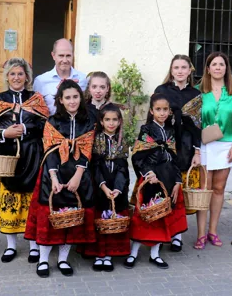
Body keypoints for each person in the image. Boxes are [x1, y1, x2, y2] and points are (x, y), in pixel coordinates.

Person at [24, 80, 96, 278]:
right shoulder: (53, 122)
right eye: (68, 98)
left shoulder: (88, 121)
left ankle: (63, 259)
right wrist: (54, 178)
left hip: (79, 175)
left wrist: (77, 176)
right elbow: (49, 152)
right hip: (53, 173)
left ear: (81, 98)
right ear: (61, 100)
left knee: (72, 218)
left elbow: (87, 150)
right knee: (51, 218)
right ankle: (44, 259)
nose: (72, 101)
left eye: (75, 97)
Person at [0, 58, 49, 263]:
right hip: (7, 158)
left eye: (20, 74)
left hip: (32, 156)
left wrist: (26, 129)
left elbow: (46, 125)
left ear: (27, 77)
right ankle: (11, 246)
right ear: (7, 77)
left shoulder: (36, 99)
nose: (17, 77)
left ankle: (34, 246)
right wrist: (4, 133)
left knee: (31, 202)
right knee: (9, 201)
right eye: (12, 74)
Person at [126, 93, 187, 270]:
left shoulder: (170, 132)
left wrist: (177, 181)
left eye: (165, 109)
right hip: (151, 180)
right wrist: (148, 173)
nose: (162, 113)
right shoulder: (146, 130)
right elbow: (138, 156)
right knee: (144, 216)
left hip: (167, 180)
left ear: (169, 111)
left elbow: (174, 158)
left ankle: (155, 254)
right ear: (152, 111)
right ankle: (133, 253)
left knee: (160, 216)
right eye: (158, 109)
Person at [154, 54, 202, 251]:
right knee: (163, 188)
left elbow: (198, 125)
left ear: (190, 70)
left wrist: (198, 151)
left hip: (186, 146)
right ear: (171, 70)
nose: (180, 71)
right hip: (165, 144)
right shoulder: (162, 90)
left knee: (178, 192)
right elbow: (154, 118)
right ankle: (160, 230)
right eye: (176, 67)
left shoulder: (195, 94)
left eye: (184, 67)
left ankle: (177, 235)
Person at [195, 52, 232, 250]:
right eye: (213, 64)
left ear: (226, 68)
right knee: (204, 190)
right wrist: (196, 149)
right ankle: (200, 234)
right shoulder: (198, 91)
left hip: (226, 144)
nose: (217, 67)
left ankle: (212, 231)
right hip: (205, 143)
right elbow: (194, 121)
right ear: (207, 68)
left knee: (219, 189)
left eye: (221, 64)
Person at [78, 103, 130, 272]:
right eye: (107, 119)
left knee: (113, 219)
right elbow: (95, 166)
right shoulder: (96, 139)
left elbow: (123, 167)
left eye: (115, 120)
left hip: (116, 185)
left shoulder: (122, 141)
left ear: (120, 121)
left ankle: (108, 255)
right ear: (101, 121)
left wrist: (118, 188)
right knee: (100, 219)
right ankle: (99, 254)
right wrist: (103, 186)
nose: (111, 123)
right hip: (99, 186)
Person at [33, 38, 88, 115]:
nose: (65, 60)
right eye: (61, 56)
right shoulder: (41, 81)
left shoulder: (83, 79)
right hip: (51, 126)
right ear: (53, 55)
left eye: (68, 56)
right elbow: (35, 111)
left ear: (73, 55)